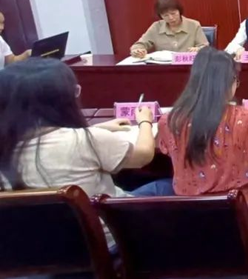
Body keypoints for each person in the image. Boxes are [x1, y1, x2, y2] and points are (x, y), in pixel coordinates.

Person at [157, 48, 248, 279]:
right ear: (228, 82)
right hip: (241, 217)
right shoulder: (245, 119)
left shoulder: (169, 121)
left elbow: (167, 150)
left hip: (188, 217)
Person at [0, 58, 154, 196]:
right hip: (111, 217)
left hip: (47, 220)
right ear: (60, 100)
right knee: (163, 185)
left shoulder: (5, 146)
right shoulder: (89, 141)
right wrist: (144, 121)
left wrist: (98, 128)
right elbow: (143, 156)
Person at [130, 0, 208, 58]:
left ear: (179, 11)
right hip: (164, 68)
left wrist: (197, 50)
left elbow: (205, 48)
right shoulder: (156, 27)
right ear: (160, 16)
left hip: (188, 67)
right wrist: (137, 51)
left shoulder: (193, 25)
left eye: (173, 13)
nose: (171, 18)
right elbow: (139, 45)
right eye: (165, 15)